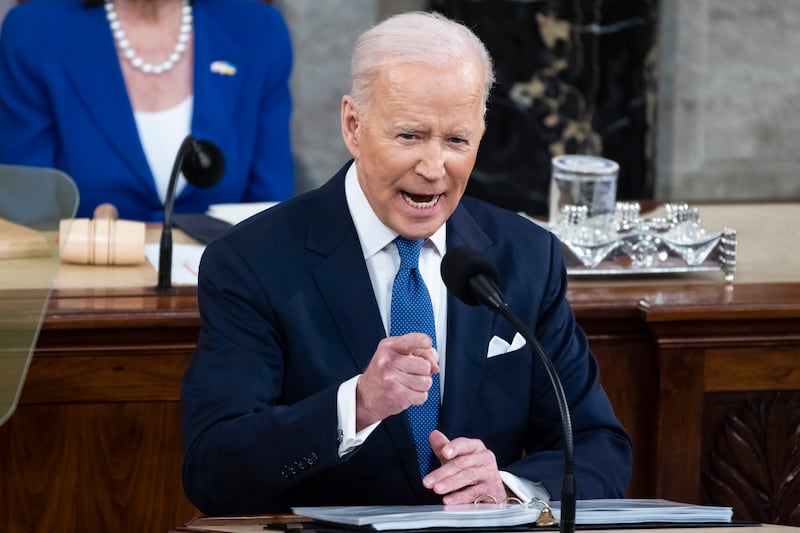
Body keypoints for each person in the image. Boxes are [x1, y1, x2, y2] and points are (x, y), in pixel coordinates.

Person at [180, 11, 632, 516]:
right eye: (410, 136)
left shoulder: (527, 257)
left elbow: (597, 445)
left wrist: (508, 486)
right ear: (354, 125)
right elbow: (212, 470)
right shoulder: (251, 261)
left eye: (457, 140)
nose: (434, 168)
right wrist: (356, 406)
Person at [0, 0, 294, 222]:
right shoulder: (33, 33)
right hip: (83, 287)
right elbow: (31, 214)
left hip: (225, 288)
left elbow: (270, 206)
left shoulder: (259, 30)